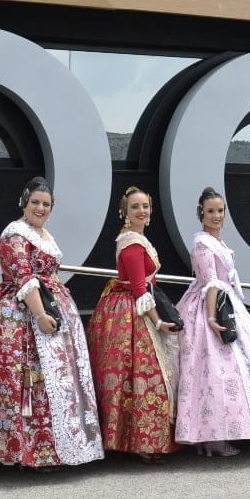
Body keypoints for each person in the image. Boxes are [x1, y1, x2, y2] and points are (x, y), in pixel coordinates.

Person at [0, 177, 103, 469]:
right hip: (19, 312)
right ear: (24, 202)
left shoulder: (43, 235)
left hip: (51, 304)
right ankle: (26, 450)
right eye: (35, 202)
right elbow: (24, 277)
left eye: (46, 204)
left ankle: (54, 447)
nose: (40, 208)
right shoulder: (15, 234)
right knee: (26, 378)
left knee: (54, 381)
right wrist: (40, 315)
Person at [174, 187, 250, 455]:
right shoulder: (202, 243)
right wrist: (211, 317)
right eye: (211, 211)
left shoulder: (217, 243)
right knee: (217, 372)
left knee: (224, 373)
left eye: (220, 211)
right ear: (201, 213)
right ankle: (213, 439)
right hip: (214, 306)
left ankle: (213, 439)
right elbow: (210, 283)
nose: (216, 216)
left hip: (226, 301)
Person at [87, 186, 180, 462]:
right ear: (125, 212)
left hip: (133, 305)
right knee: (143, 376)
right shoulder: (131, 243)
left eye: (145, 206)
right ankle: (143, 443)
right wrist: (158, 322)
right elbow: (140, 289)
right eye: (135, 207)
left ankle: (141, 440)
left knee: (139, 377)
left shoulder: (138, 239)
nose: (142, 211)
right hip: (131, 312)